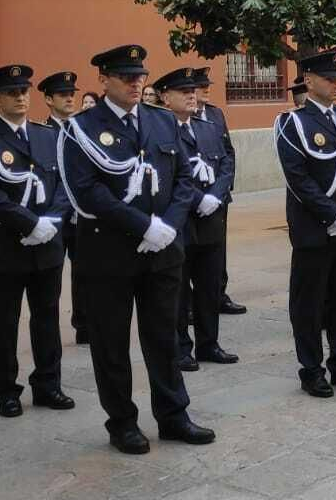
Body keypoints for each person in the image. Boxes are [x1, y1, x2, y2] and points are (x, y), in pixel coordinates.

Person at [58, 44, 213, 455]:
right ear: (104, 80)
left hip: (162, 250)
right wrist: (143, 224)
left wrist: (168, 226)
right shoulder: (82, 128)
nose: (135, 82)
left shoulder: (162, 121)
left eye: (139, 75)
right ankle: (122, 422)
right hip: (109, 253)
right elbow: (85, 192)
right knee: (111, 343)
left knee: (164, 337)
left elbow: (183, 178)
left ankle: (173, 415)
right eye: (125, 76)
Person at [0, 64, 74, 418]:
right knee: (4, 322)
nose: (20, 97)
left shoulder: (48, 135)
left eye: (24, 91)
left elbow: (66, 184)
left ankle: (48, 384)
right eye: (11, 92)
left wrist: (51, 222)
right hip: (5, 244)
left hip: (48, 244)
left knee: (47, 318)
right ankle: (6, 390)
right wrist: (29, 224)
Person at [274, 48, 336, 396]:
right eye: (330, 79)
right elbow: (298, 178)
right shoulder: (293, 123)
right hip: (315, 227)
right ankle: (311, 369)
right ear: (309, 80)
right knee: (309, 301)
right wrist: (334, 215)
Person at [155, 68, 238, 371]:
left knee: (209, 286)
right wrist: (197, 199)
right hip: (180, 222)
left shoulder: (207, 127)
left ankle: (209, 343)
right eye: (183, 91)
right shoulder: (159, 133)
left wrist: (216, 195)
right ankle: (180, 347)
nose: (192, 95)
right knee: (178, 290)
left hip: (211, 220)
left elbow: (226, 161)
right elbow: (165, 177)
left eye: (194, 91)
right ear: (165, 97)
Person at [39, 70, 93, 345]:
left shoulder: (85, 129)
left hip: (83, 216)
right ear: (48, 99)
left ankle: (85, 325)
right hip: (55, 217)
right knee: (52, 276)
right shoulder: (42, 133)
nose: (70, 98)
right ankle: (49, 331)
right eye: (63, 95)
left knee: (86, 272)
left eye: (72, 93)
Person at [193, 67, 246, 316]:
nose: (206, 89)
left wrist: (223, 189)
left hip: (218, 195)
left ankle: (218, 294)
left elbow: (228, 152)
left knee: (218, 250)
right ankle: (191, 302)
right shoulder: (176, 117)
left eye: (207, 85)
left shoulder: (214, 114)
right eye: (200, 86)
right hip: (193, 197)